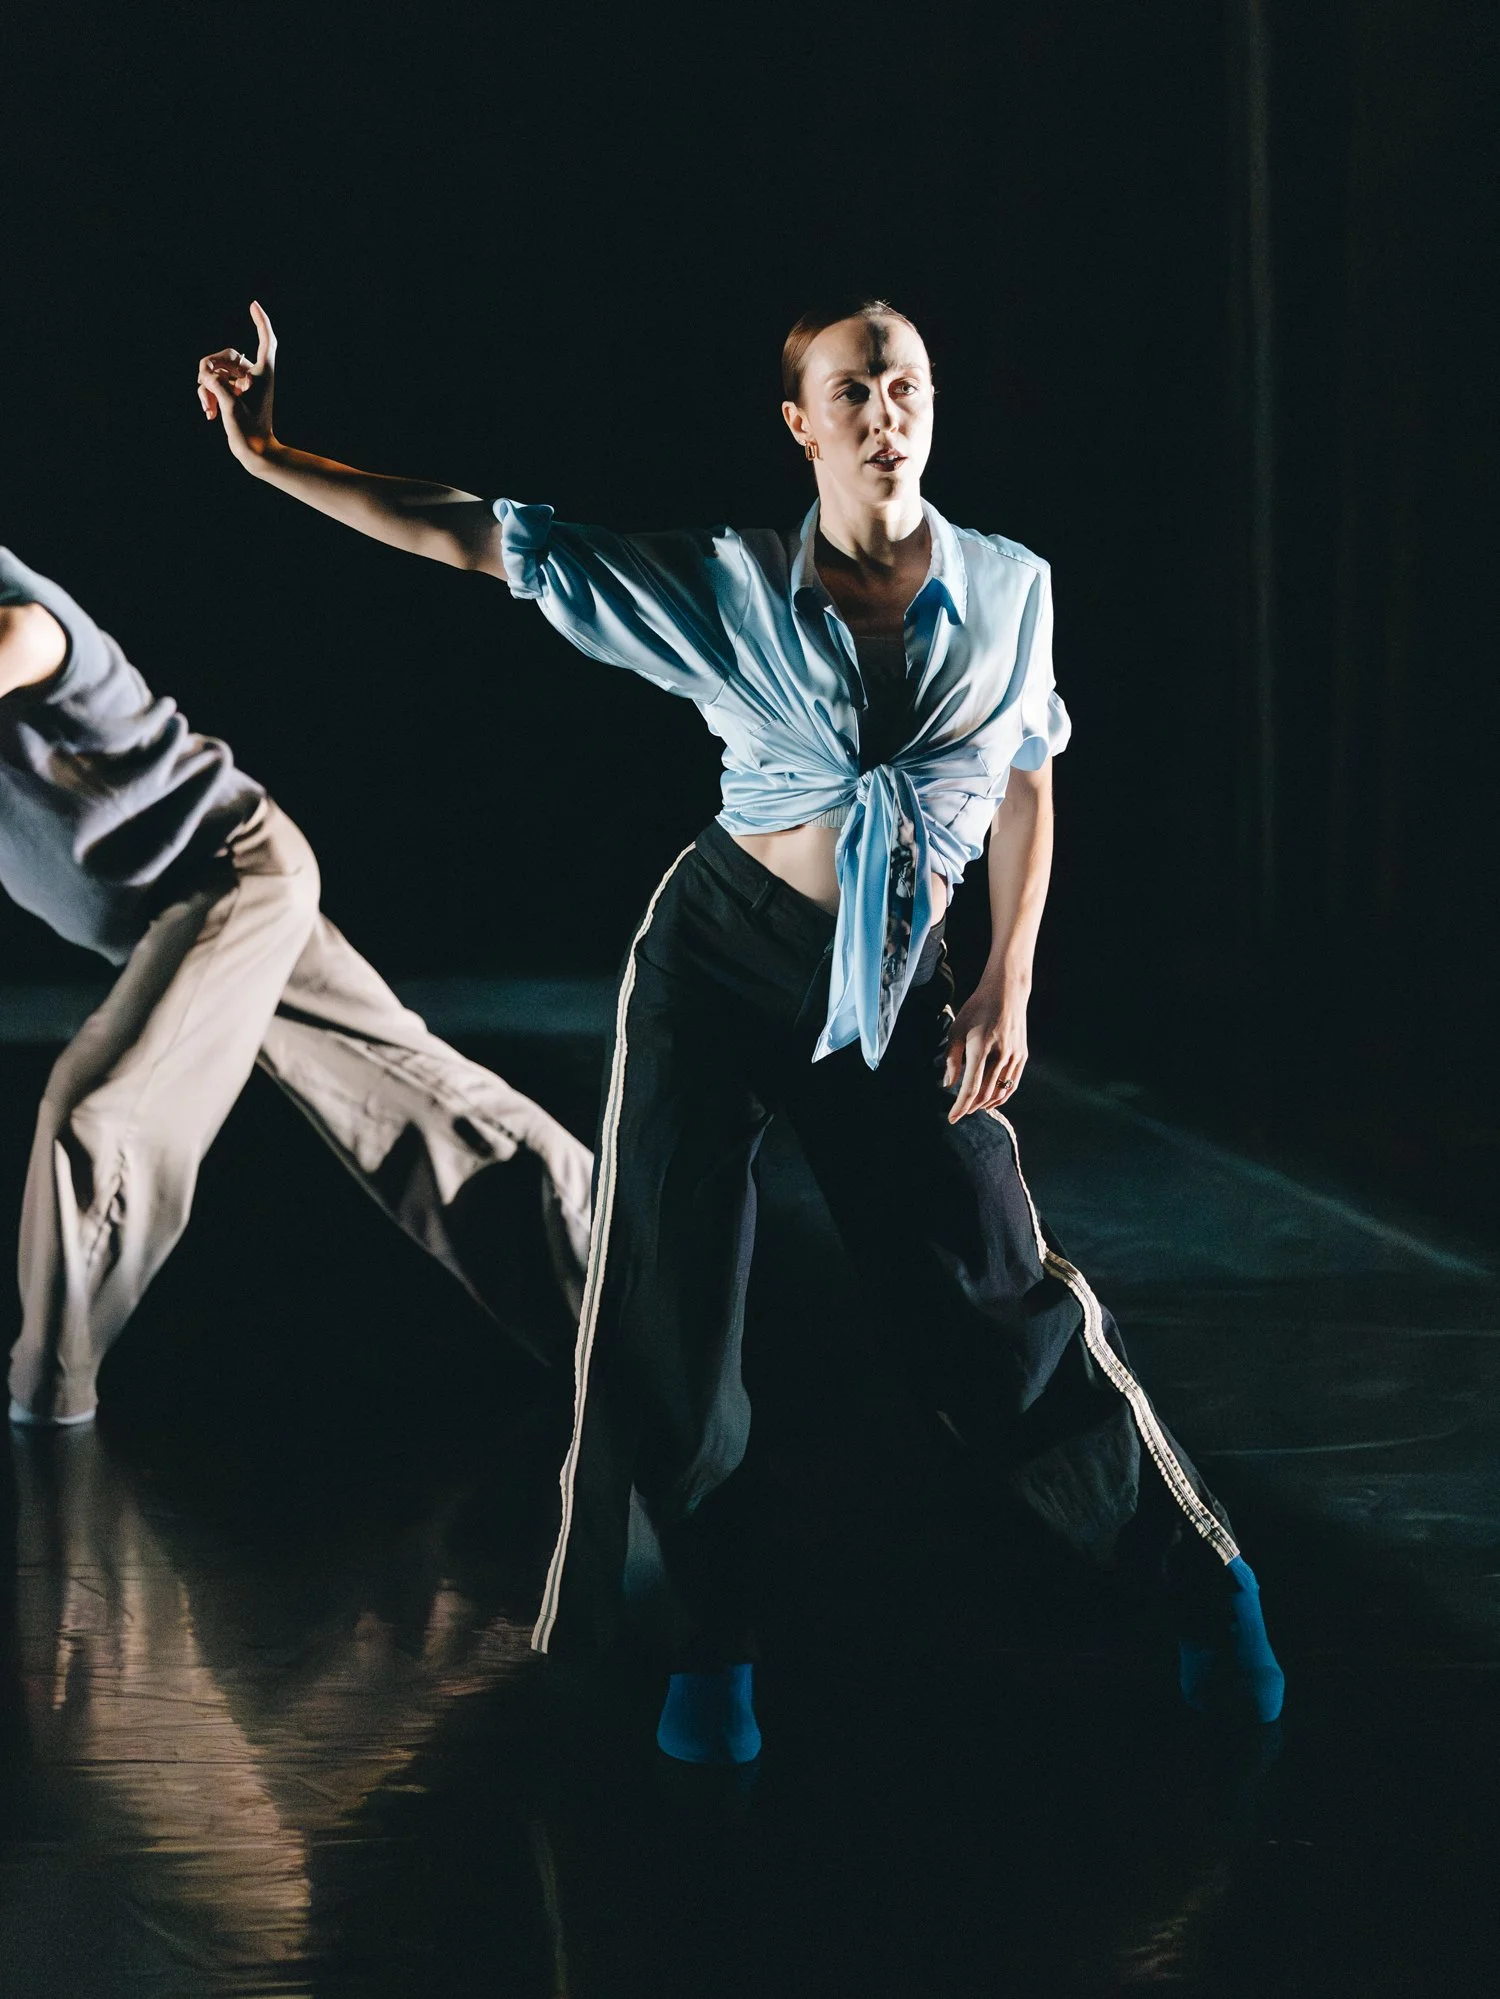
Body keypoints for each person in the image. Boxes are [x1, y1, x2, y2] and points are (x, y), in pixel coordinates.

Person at [195, 296, 1285, 1762]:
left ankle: (1201, 1580)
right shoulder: (728, 586)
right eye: (855, 390)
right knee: (674, 1310)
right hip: (717, 959)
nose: (886, 411)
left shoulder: (1013, 588)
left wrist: (1007, 978)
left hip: (894, 978)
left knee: (987, 1297)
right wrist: (269, 457)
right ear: (802, 424)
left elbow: (1026, 776)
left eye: (907, 383)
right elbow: (479, 538)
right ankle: (707, 1640)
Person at [0, 547, 593, 1429]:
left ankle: (48, 1398)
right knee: (419, 1094)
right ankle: (623, 1294)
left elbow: (22, 638)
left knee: (101, 1112)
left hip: (232, 877)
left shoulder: (25, 611)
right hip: (192, 911)